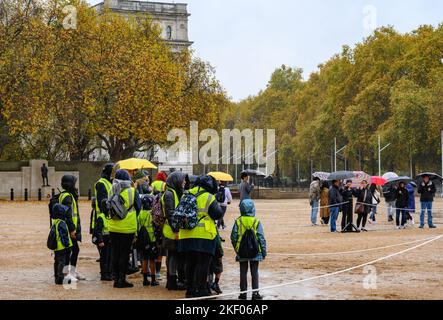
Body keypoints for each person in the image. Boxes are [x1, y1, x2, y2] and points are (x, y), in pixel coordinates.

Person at [178, 175, 223, 298]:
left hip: (185, 235)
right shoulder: (208, 196)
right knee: (203, 264)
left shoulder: (186, 194)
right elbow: (218, 214)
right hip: (204, 235)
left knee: (190, 263)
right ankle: (202, 289)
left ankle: (190, 289)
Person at [108, 169, 141, 288]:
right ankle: (122, 279)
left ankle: (116, 278)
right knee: (124, 254)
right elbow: (138, 207)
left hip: (113, 226)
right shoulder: (132, 191)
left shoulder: (112, 189)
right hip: (128, 227)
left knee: (115, 252)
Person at [231, 199, 267, 300]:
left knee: (243, 272)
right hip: (255, 251)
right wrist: (263, 252)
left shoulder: (238, 221)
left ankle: (243, 293)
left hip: (242, 251)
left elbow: (233, 237)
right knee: (254, 272)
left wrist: (237, 248)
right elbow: (261, 237)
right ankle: (255, 293)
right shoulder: (256, 221)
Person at [161, 171, 188, 291]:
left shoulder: (176, 192)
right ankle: (171, 281)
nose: (184, 182)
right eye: (182, 180)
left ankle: (176, 280)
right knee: (172, 256)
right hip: (171, 232)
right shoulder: (169, 194)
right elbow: (170, 213)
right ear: (176, 181)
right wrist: (176, 230)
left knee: (177, 256)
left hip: (176, 230)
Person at [59, 175, 85, 281]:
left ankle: (71, 272)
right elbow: (68, 215)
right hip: (70, 229)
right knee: (72, 250)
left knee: (72, 250)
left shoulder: (67, 195)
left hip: (69, 228)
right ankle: (68, 274)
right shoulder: (67, 197)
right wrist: (72, 229)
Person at [93, 163, 114, 281]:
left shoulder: (109, 183)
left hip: (108, 219)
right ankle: (105, 273)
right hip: (103, 219)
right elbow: (103, 202)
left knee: (109, 252)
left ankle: (109, 272)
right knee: (105, 253)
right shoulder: (102, 183)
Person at [138, 194, 160, 287]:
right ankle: (153, 279)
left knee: (144, 259)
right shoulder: (151, 213)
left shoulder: (140, 214)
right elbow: (156, 225)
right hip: (151, 240)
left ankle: (145, 280)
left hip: (142, 241)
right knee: (152, 260)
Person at [51, 204, 73, 285]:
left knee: (57, 262)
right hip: (63, 247)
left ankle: (57, 277)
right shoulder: (62, 223)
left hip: (57, 248)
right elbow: (64, 236)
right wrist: (67, 245)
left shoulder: (55, 222)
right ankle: (61, 278)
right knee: (62, 263)